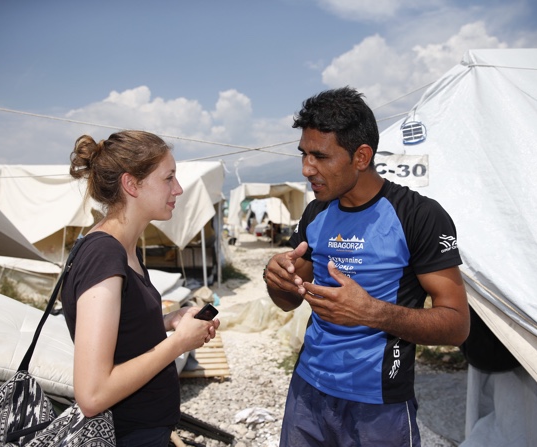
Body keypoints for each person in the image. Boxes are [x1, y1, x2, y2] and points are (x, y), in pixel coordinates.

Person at [264, 87, 469, 447]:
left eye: (320, 156)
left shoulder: (418, 216)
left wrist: (372, 313)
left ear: (361, 157)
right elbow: (289, 301)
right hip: (307, 391)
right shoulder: (316, 212)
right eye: (303, 154)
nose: (306, 168)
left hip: (379, 404)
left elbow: (456, 327)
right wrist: (276, 278)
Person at [61, 130, 220, 447]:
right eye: (168, 178)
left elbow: (118, 332)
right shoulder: (104, 256)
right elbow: (92, 395)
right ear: (131, 184)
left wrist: (168, 321)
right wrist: (178, 344)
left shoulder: (125, 249)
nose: (178, 189)